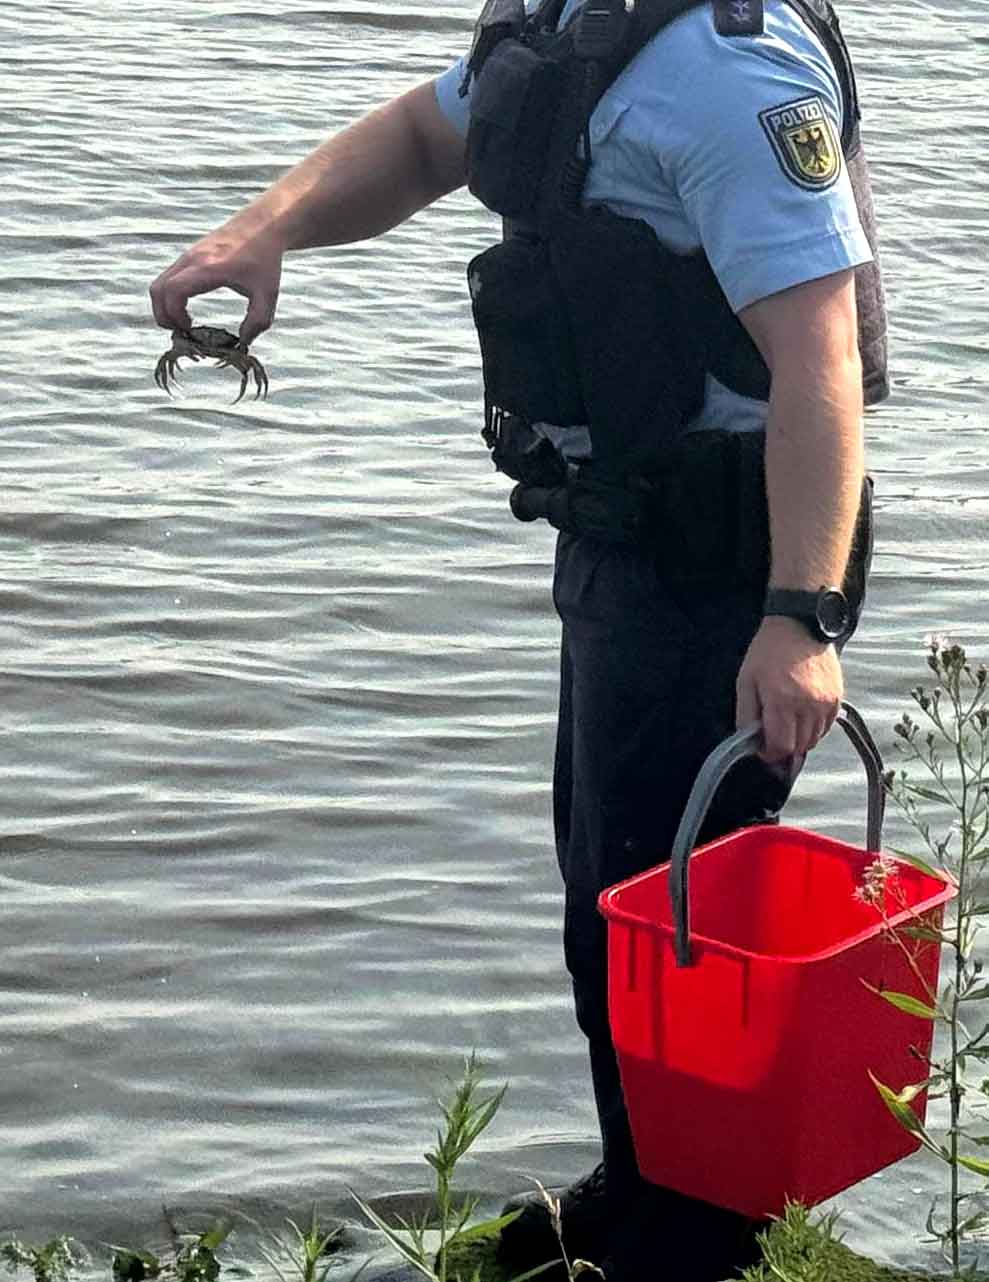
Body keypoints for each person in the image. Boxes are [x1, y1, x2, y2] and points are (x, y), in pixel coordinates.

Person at [150, 0, 885, 1276]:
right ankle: (643, 1186)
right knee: (610, 900)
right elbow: (425, 141)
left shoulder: (729, 67)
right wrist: (262, 227)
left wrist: (799, 616)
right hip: (618, 534)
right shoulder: (568, 23)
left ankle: (693, 1238)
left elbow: (815, 349)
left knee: (676, 924)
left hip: (733, 565)